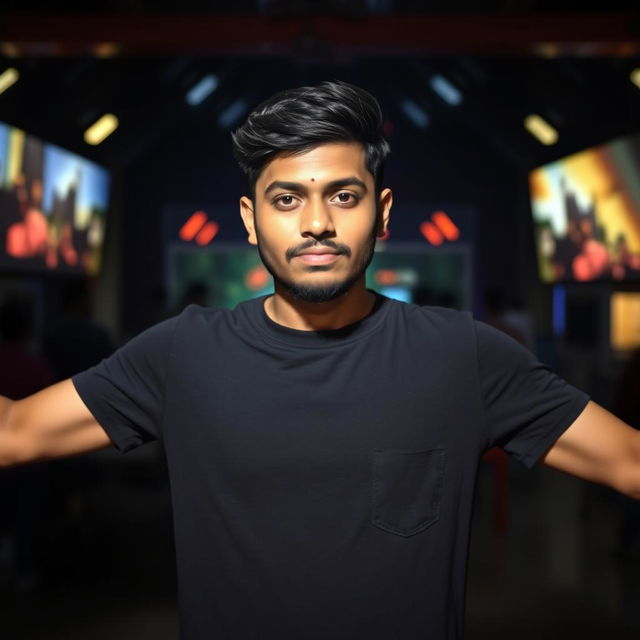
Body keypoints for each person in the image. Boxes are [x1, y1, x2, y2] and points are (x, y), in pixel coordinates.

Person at [0, 81, 638, 640]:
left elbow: (628, 461)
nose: (315, 223)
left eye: (343, 196)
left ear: (381, 213)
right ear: (250, 221)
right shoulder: (182, 353)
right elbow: (14, 434)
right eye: (286, 200)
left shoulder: (461, 355)